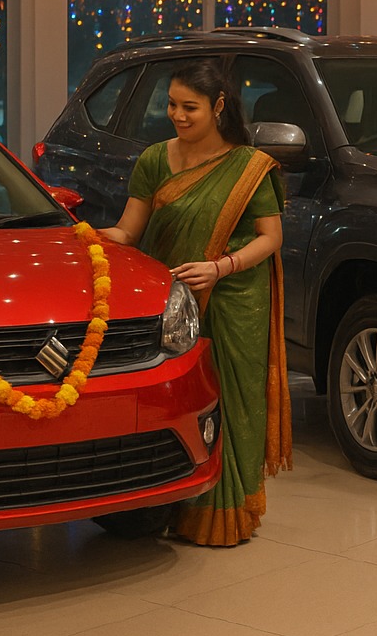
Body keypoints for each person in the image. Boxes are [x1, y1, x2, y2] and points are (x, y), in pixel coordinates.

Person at [102, 60, 291, 546]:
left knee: (229, 400)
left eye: (191, 107)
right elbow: (129, 231)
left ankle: (223, 515)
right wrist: (81, 234)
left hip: (234, 297)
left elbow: (271, 238)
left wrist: (220, 267)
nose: (178, 116)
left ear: (219, 107)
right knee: (175, 400)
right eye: (172, 105)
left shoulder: (248, 167)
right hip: (171, 300)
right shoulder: (153, 160)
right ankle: (165, 503)